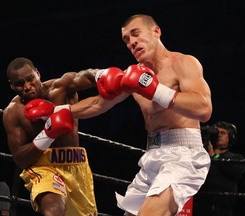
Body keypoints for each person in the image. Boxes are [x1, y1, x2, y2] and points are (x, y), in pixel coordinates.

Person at [70, 14, 213, 216]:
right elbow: (97, 104)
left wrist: (155, 90)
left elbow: (204, 109)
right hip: (152, 156)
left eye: (135, 34)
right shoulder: (133, 76)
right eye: (127, 40)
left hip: (183, 154)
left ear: (156, 31)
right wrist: (56, 112)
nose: (132, 43)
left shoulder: (183, 63)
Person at [2, 57, 99, 216]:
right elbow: (20, 158)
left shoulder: (61, 88)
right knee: (52, 210)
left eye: (30, 79)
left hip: (77, 166)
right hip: (44, 168)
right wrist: (48, 134)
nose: (27, 86)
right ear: (12, 86)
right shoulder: (13, 112)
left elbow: (85, 76)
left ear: (38, 74)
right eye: (20, 84)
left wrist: (103, 75)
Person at [195, 121, 245, 216]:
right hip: (200, 205)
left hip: (222, 208)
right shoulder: (201, 156)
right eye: (217, 132)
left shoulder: (236, 157)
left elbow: (236, 172)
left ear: (230, 137)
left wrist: (214, 156)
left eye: (223, 133)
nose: (219, 135)